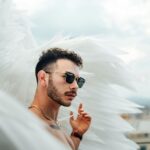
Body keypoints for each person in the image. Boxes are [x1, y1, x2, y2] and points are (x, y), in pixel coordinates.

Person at [29, 47, 92, 150]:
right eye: (69, 77)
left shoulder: (51, 122)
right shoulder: (31, 126)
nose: (75, 86)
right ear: (43, 78)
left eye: (78, 80)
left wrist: (77, 134)